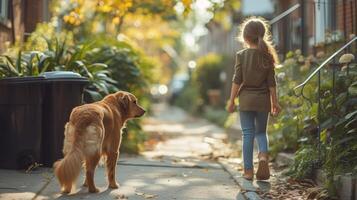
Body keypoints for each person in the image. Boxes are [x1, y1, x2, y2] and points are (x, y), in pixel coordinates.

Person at [227, 17, 281, 181]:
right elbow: (272, 82)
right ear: (262, 35)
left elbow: (237, 80)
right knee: (261, 132)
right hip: (263, 100)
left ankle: (248, 171)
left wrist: (231, 100)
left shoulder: (241, 55)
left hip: (246, 101)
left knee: (247, 134)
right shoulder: (267, 56)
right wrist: (275, 102)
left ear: (245, 37)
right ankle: (263, 156)